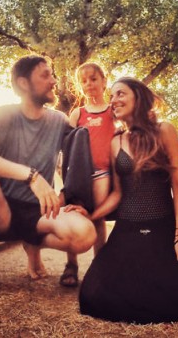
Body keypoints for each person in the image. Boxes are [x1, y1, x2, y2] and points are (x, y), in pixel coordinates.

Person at [79, 77, 178, 324]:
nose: (113, 100)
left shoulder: (164, 130)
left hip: (163, 228)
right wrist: (89, 216)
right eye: (112, 96)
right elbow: (118, 193)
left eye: (120, 93)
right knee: (94, 295)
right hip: (127, 230)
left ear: (138, 97)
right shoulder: (116, 141)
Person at [0, 55, 96, 300]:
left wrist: (72, 197)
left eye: (52, 75)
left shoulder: (59, 120)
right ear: (24, 83)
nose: (53, 81)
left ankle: (32, 244)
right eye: (45, 75)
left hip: (38, 212)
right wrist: (32, 177)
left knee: (85, 234)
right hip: (2, 209)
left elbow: (79, 154)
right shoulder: (4, 114)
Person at [59, 62, 117, 288]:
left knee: (97, 217)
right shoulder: (78, 113)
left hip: (103, 172)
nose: (89, 84)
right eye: (83, 81)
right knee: (74, 214)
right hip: (79, 173)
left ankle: (99, 265)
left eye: (93, 79)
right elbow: (68, 145)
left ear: (104, 81)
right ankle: (71, 264)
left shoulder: (112, 111)